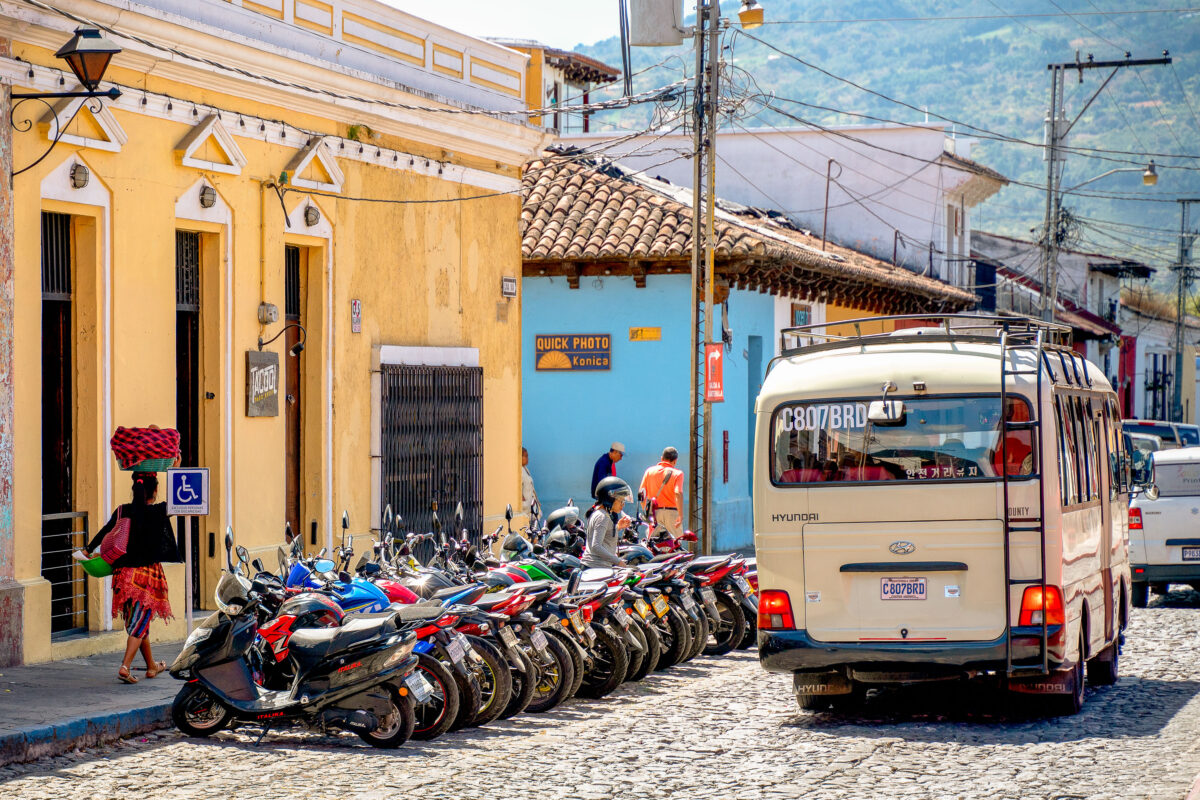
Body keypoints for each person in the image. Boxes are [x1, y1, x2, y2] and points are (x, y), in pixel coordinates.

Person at [86, 472, 182, 684]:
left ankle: (151, 667)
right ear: (155, 491)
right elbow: (179, 500)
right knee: (139, 626)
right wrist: (177, 467)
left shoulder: (123, 510)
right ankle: (125, 666)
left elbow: (106, 531)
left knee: (140, 622)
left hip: (123, 576)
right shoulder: (159, 511)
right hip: (146, 577)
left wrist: (88, 549)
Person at [582, 476, 633, 568]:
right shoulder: (603, 517)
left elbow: (604, 536)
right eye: (621, 500)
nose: (623, 504)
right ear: (610, 499)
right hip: (596, 568)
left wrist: (618, 527)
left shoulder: (599, 513)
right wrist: (618, 561)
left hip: (594, 567)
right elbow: (596, 546)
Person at [639, 446, 685, 538]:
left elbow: (641, 493)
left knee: (653, 544)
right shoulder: (678, 474)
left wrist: (646, 509)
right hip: (671, 513)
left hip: (654, 513)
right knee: (674, 544)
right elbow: (678, 493)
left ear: (661, 458)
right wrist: (680, 515)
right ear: (675, 461)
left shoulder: (649, 471)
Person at [521, 446, 537, 516]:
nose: (528, 458)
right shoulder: (518, 470)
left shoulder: (525, 469)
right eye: (526, 456)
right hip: (524, 508)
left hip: (530, 507)